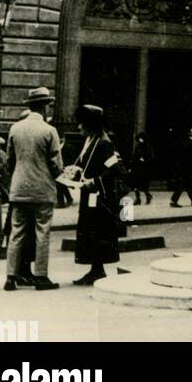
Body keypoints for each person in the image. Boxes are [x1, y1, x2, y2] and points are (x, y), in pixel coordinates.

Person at [2, 86, 63, 292]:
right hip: (42, 190)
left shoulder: (15, 128)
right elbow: (56, 165)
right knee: (42, 233)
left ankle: (11, 277)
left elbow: (9, 161)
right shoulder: (49, 131)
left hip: (19, 188)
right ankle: (41, 277)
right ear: (45, 107)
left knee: (16, 233)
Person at [68, 104, 127, 285]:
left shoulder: (104, 143)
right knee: (90, 231)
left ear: (90, 125)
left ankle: (97, 270)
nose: (78, 127)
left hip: (100, 197)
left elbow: (114, 169)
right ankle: (95, 269)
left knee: (96, 231)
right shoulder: (91, 142)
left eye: (82, 124)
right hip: (90, 195)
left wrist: (93, 182)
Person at [170, 127, 192, 207]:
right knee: (184, 185)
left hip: (186, 168)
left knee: (188, 185)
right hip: (187, 168)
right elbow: (189, 158)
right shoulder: (190, 144)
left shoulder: (187, 143)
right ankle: (174, 201)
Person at [130, 133, 154, 205]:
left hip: (145, 169)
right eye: (139, 138)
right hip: (137, 168)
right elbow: (134, 156)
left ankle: (148, 196)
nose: (140, 140)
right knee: (136, 185)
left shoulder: (149, 147)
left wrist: (145, 159)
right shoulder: (137, 147)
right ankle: (138, 199)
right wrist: (132, 166)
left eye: (142, 138)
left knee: (144, 186)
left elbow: (151, 157)